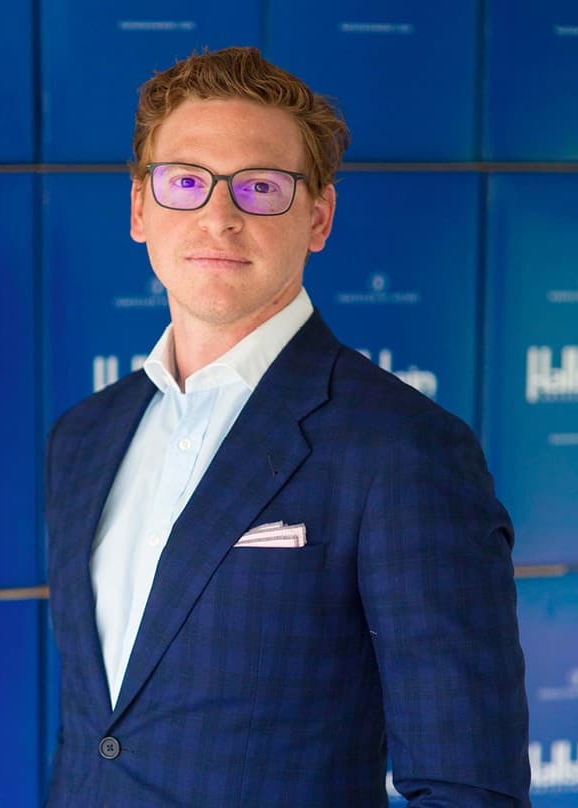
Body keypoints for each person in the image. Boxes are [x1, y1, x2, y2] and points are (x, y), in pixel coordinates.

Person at [44, 46, 530, 806]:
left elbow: (469, 786)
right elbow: (99, 741)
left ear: (319, 218)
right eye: (186, 182)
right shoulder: (82, 437)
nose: (218, 216)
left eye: (261, 186)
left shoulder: (401, 448)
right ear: (140, 209)